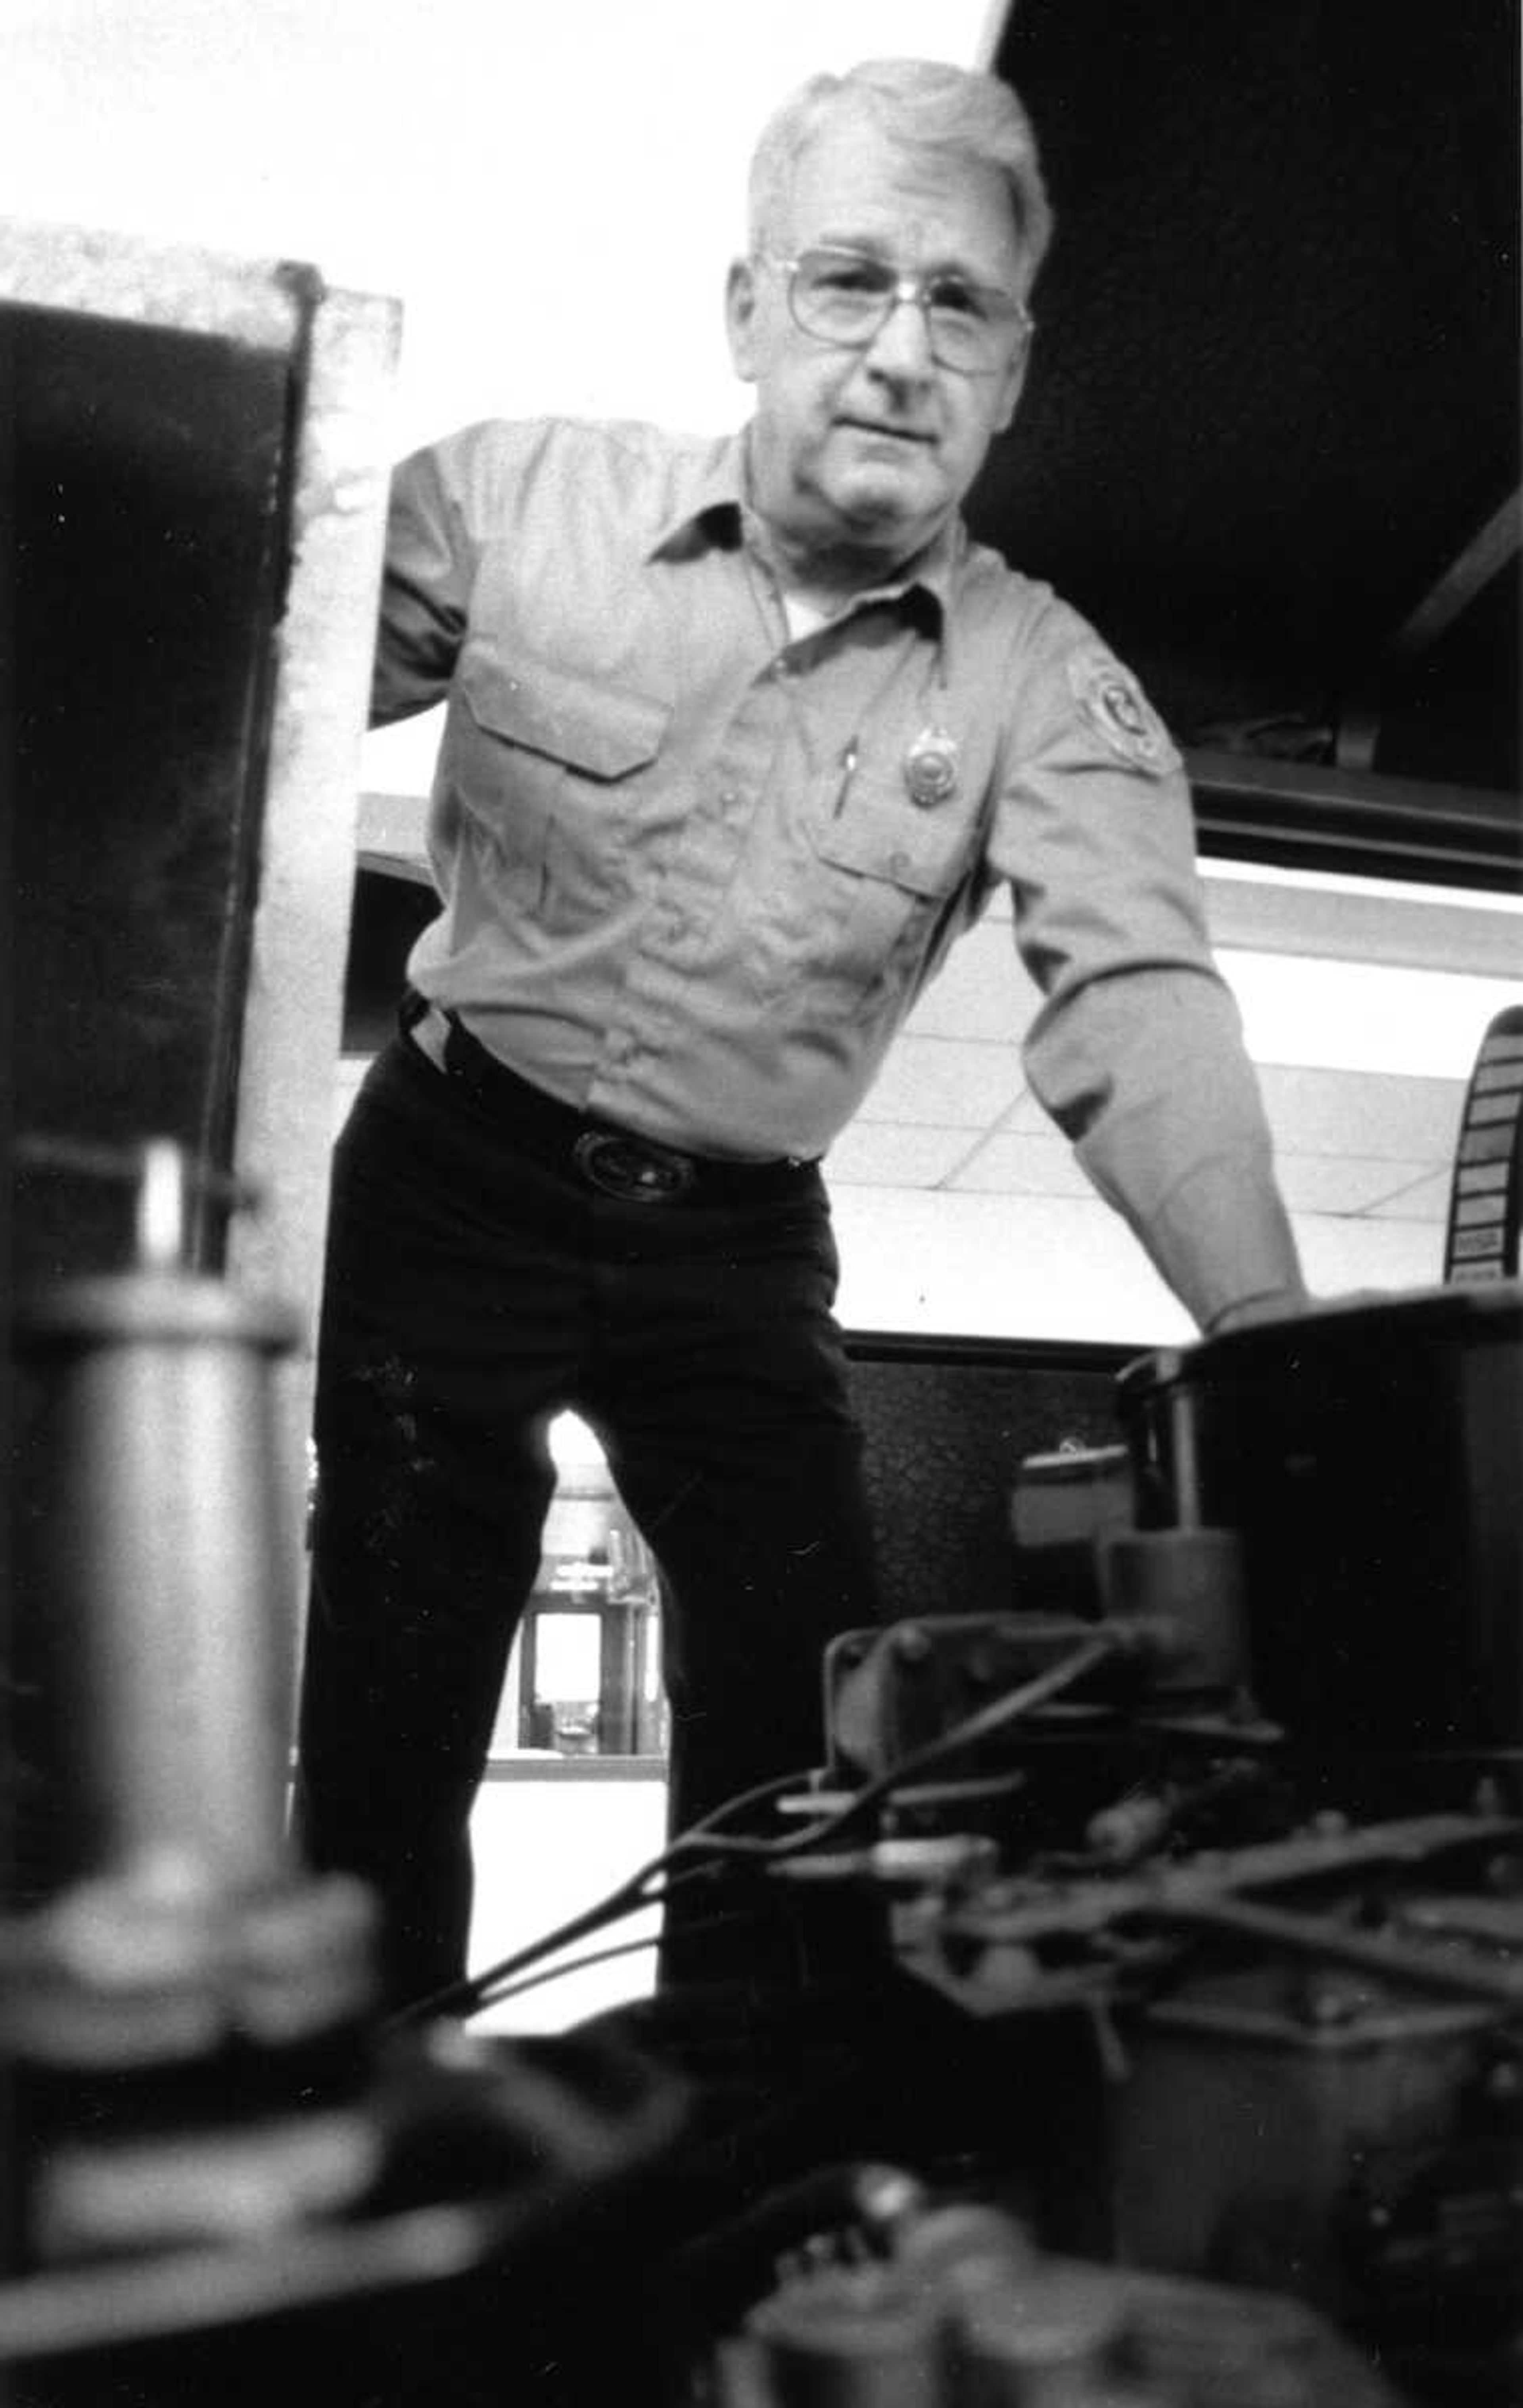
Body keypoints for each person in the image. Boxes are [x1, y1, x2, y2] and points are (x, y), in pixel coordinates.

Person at [293, 57, 1307, 2012]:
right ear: (748, 310)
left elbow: (1139, 1002)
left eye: (964, 306)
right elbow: (210, 698)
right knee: (388, 1720)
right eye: (849, 282)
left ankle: (722, 2175)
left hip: (738, 1253)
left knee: (806, 1744)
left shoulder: (1045, 684)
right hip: (446, 1188)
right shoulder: (513, 507)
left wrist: (1285, 1370)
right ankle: (385, 2177)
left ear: (1015, 370)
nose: (902, 352)